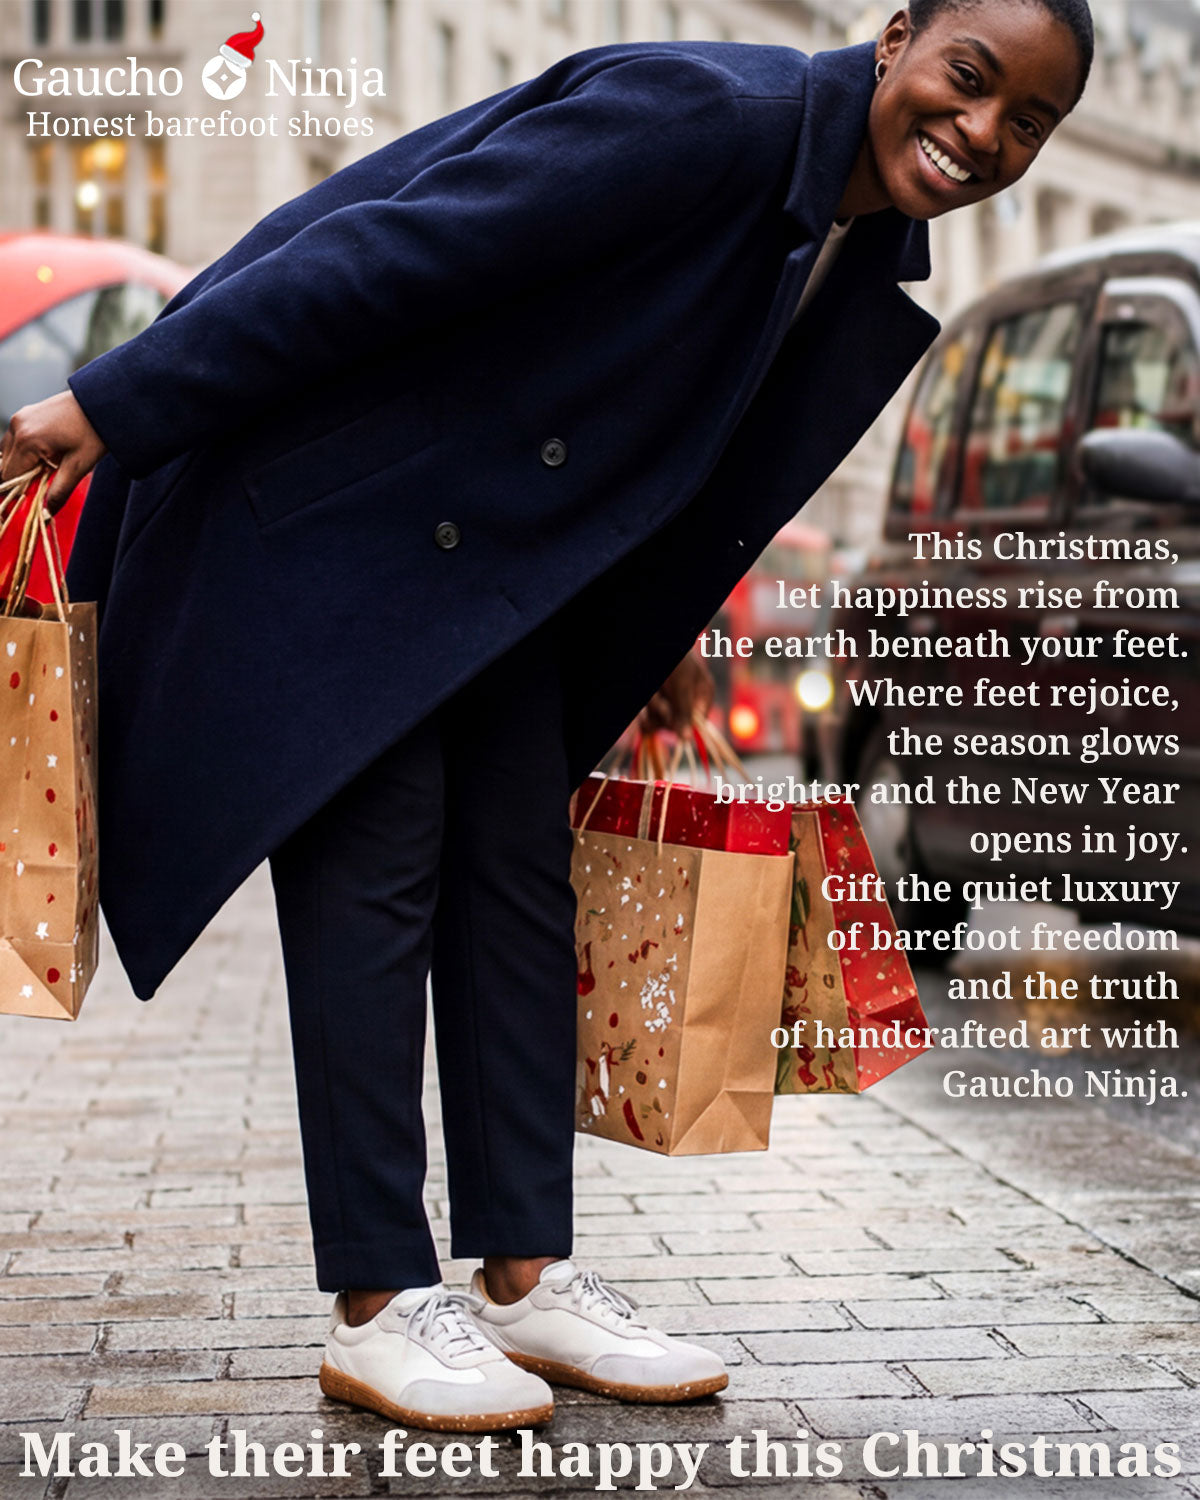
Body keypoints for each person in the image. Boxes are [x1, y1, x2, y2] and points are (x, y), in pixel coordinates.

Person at [1, 0, 1092, 1434]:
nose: (984, 134)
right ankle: (380, 1302)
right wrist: (120, 399)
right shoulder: (712, 116)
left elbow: (668, 428)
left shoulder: (858, 227)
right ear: (895, 40)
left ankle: (523, 1271)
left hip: (490, 556)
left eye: (1028, 123)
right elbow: (385, 239)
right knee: (375, 876)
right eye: (971, 79)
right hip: (338, 514)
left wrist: (666, 629)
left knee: (517, 876)